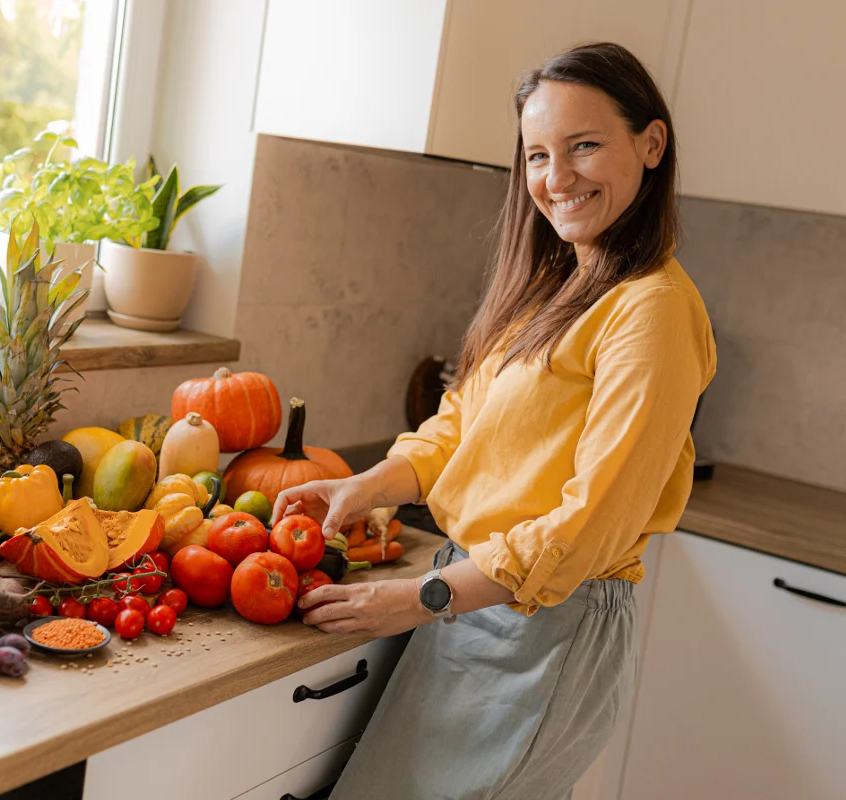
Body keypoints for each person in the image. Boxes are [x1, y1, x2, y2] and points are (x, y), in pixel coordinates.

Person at [274, 42, 717, 799]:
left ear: (652, 144)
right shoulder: (557, 284)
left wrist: (419, 596)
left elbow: (589, 525)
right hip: (478, 602)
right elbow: (462, 421)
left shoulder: (653, 310)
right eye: (538, 155)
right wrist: (370, 485)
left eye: (584, 146)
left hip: (544, 628)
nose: (557, 177)